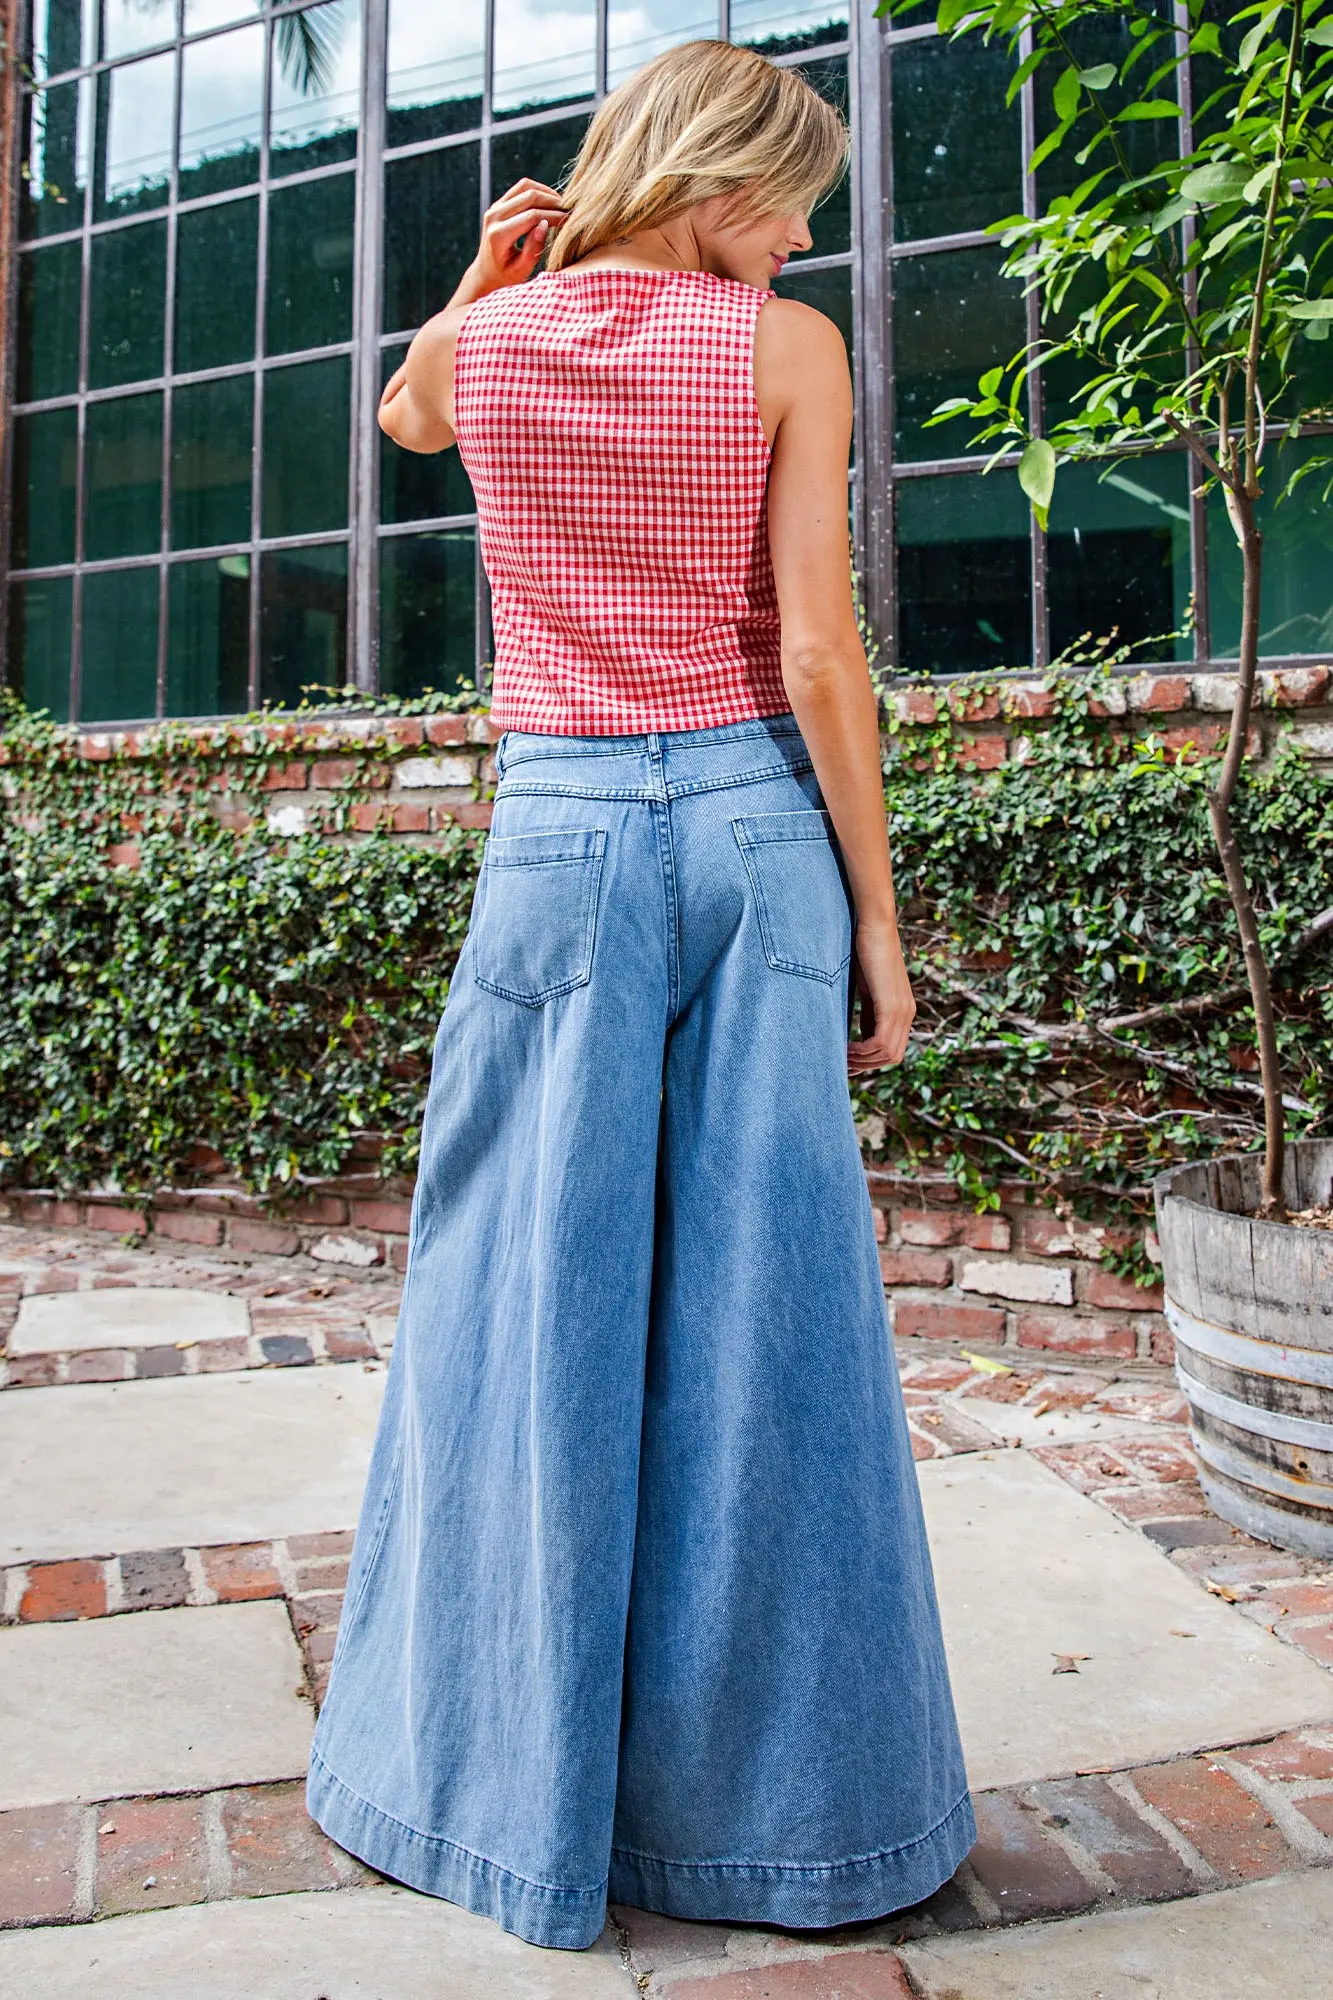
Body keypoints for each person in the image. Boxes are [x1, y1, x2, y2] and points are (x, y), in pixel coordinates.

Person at [307, 36, 974, 1953]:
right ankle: (795, 1832)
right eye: (791, 207)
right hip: (754, 830)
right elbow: (823, 653)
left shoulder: (492, 348)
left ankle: (486, 1805)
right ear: (713, 179)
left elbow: (405, 417)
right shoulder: (787, 350)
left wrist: (477, 283)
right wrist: (880, 919)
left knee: (514, 1299)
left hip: (563, 842)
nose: (801, 244)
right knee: (776, 1328)